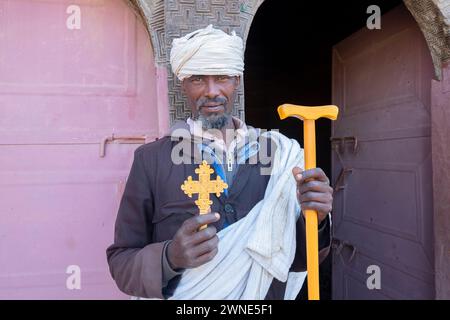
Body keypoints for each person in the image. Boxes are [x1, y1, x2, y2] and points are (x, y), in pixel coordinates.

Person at [106, 25, 333, 300]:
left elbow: (298, 261)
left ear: (237, 80)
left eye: (222, 77)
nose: (211, 91)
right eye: (198, 79)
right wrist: (169, 257)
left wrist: (317, 219)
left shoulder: (280, 156)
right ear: (184, 83)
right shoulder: (151, 160)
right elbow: (122, 262)